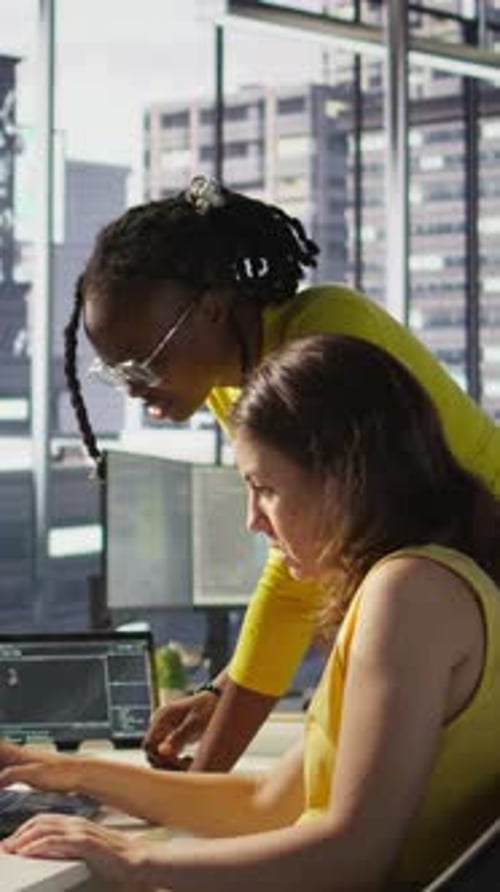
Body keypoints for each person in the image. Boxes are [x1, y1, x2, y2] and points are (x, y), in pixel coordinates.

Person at [1, 333, 500, 890]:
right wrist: (67, 772)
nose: (252, 519)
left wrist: (134, 863)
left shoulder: (409, 594)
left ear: (343, 476)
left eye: (264, 488)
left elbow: (353, 855)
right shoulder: (417, 586)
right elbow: (267, 803)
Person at [63, 174, 500, 772]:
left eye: (144, 362)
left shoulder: (322, 341)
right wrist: (224, 693)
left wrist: (204, 778)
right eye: (116, 373)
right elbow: (301, 557)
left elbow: (299, 572)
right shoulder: (229, 382)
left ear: (213, 309)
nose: (135, 387)